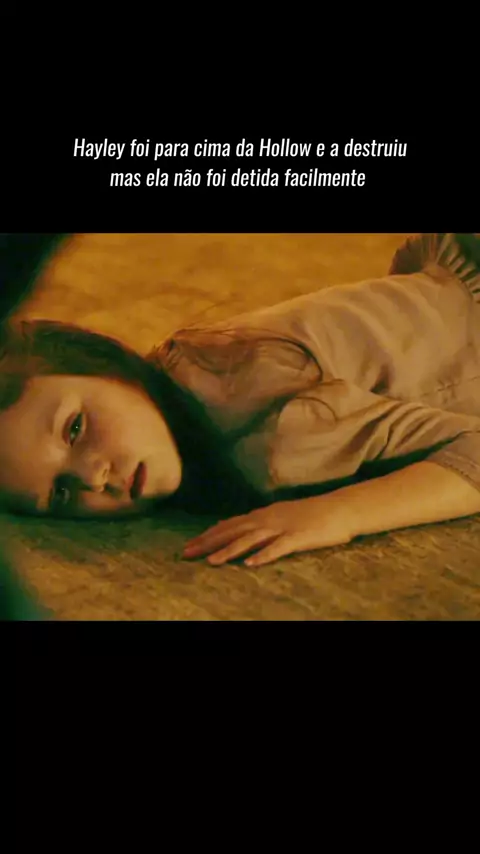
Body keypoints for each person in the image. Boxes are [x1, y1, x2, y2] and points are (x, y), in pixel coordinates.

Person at [1, 233, 480, 568]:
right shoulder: (189, 385)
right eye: (61, 493)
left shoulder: (270, 430)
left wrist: (340, 513)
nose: (92, 478)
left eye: (75, 429)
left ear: (108, 366)